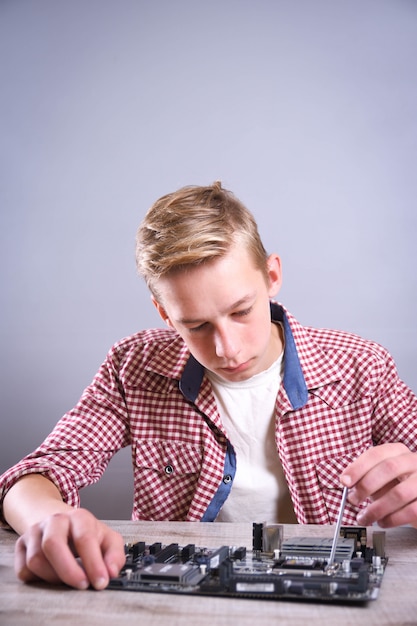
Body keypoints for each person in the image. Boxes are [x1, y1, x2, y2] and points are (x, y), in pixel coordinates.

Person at [1, 182, 417, 592]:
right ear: (164, 313)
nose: (227, 349)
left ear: (272, 275)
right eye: (196, 325)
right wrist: (46, 520)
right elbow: (39, 472)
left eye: (241, 311)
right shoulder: (132, 366)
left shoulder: (362, 365)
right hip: (176, 605)